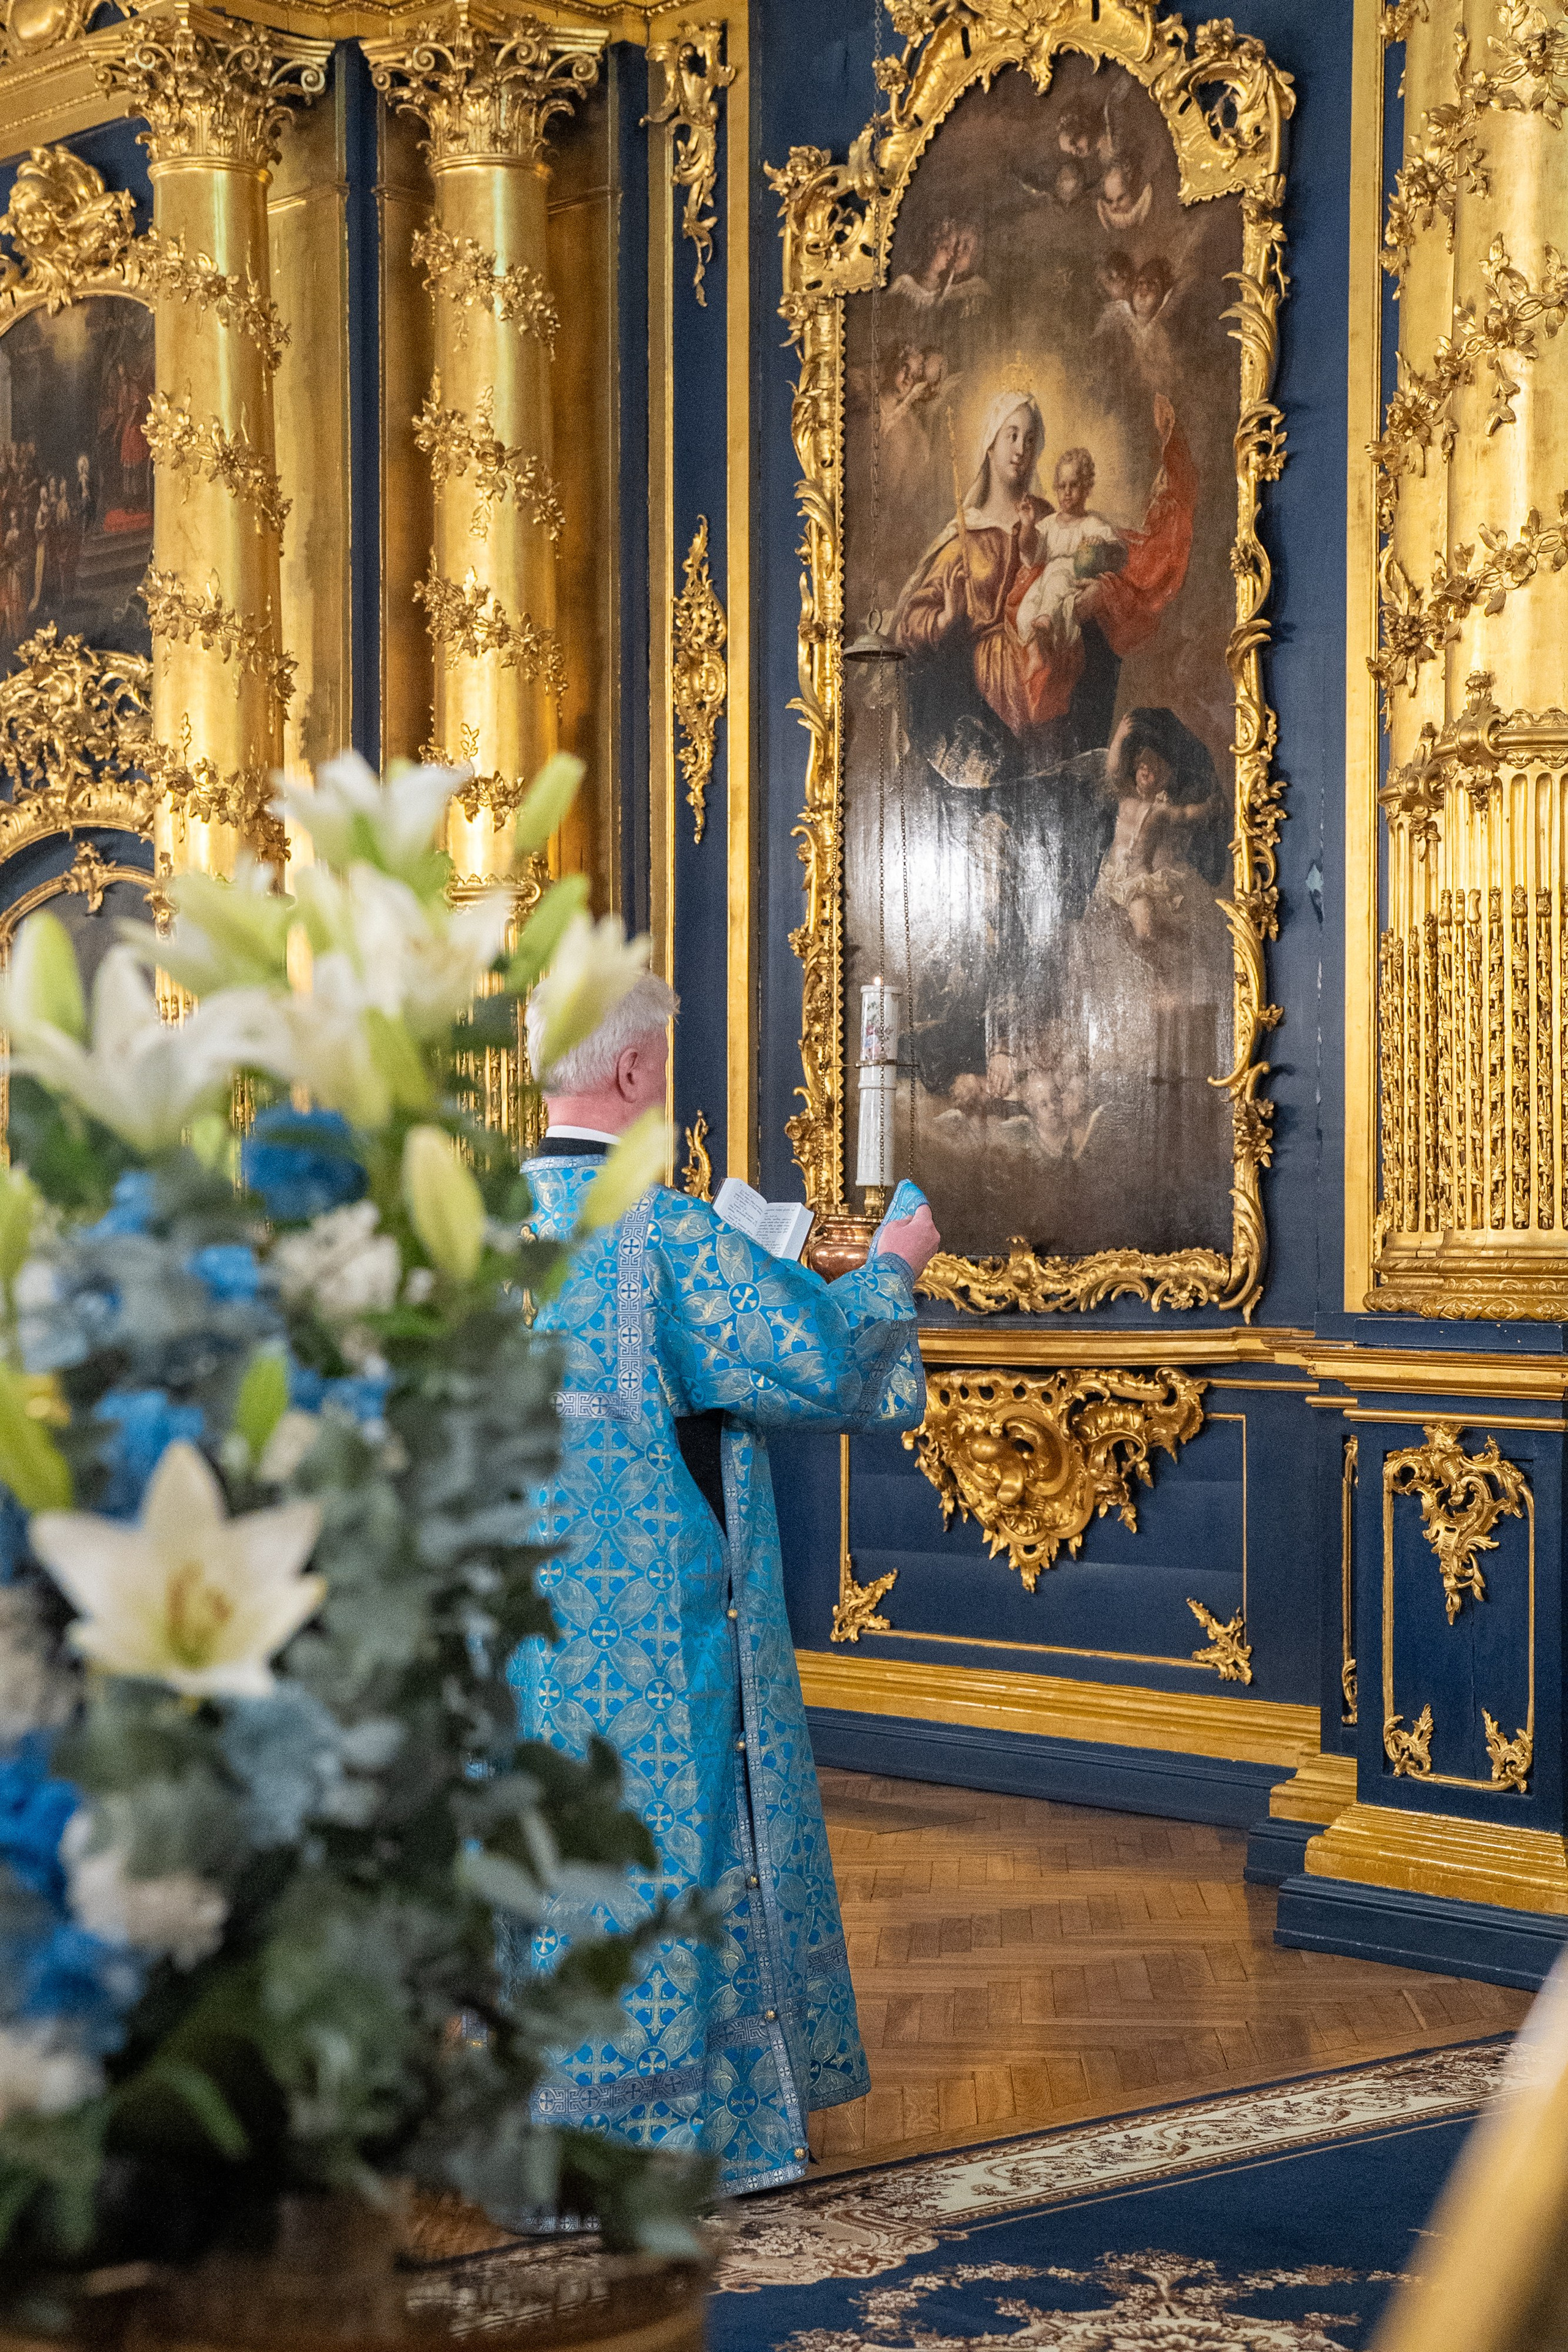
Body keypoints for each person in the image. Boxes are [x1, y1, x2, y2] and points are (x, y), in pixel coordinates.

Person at [511, 974, 940, 2202]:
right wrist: (895, 1265)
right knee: (670, 1856)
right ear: (637, 1073)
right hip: (655, 1645)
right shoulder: (661, 1236)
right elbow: (816, 1361)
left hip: (513, 1648)